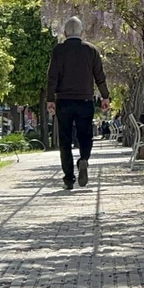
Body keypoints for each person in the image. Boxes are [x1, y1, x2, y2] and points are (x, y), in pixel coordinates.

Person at [46, 16, 111, 190]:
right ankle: (83, 159)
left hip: (64, 101)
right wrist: (105, 96)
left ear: (65, 33)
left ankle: (68, 178)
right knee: (85, 135)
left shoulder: (58, 50)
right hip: (85, 100)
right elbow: (100, 76)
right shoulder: (91, 50)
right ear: (81, 33)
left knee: (65, 139)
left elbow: (52, 77)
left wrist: (50, 100)